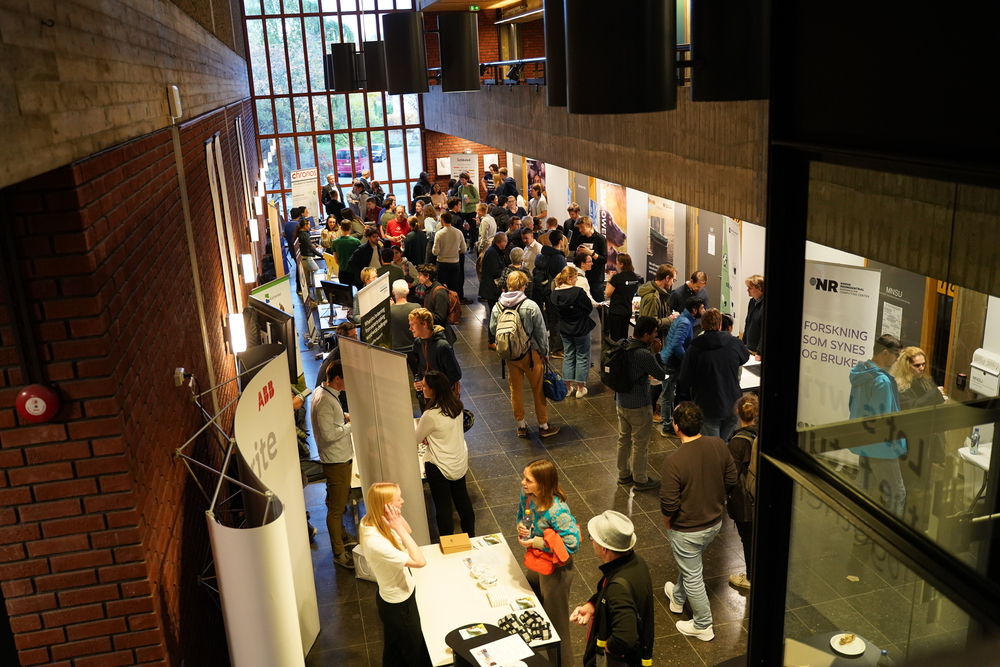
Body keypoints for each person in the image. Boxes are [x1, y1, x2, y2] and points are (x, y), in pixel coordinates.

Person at [660, 402, 738, 642]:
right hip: (714, 523)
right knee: (690, 564)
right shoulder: (718, 445)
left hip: (687, 529)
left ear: (676, 427)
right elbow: (731, 478)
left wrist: (667, 522)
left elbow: (669, 504)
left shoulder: (674, 461)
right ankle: (678, 598)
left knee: (693, 575)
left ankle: (703, 625)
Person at [358, 482, 432, 667]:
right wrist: (397, 527)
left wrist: (397, 521)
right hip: (399, 605)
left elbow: (407, 530)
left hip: (394, 599)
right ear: (386, 506)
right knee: (416, 653)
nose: (402, 501)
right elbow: (419, 562)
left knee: (394, 651)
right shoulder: (375, 541)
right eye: (398, 499)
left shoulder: (373, 519)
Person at [516, 460, 580, 667]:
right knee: (533, 608)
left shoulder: (557, 511)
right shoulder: (527, 496)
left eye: (528, 480)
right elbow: (521, 517)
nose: (522, 482)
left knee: (557, 624)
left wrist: (534, 541)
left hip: (556, 572)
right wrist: (522, 528)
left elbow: (572, 544)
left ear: (542, 484)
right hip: (537, 563)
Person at [571, 511, 654, 667]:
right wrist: (592, 605)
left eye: (593, 538)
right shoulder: (635, 562)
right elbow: (609, 593)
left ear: (604, 548)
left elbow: (625, 638)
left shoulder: (619, 588)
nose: (592, 542)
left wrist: (606, 648)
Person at [489, 271, 560, 438]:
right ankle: (543, 426)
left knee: (516, 390)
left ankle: (521, 426)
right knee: (538, 389)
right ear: (522, 286)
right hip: (531, 354)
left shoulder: (498, 306)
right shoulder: (530, 305)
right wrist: (545, 352)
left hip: (511, 356)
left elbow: (493, 329)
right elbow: (541, 333)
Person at [849, 333, 907, 517]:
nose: (897, 359)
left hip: (863, 441)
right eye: (896, 354)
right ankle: (892, 539)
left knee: (863, 490)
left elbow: (852, 404)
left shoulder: (861, 372)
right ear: (884, 353)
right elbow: (882, 418)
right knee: (897, 493)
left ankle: (860, 532)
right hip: (882, 447)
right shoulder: (881, 381)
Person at [416, 370, 475, 538]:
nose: (422, 388)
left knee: (443, 507)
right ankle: (471, 535)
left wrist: (426, 436)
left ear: (433, 390)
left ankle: (448, 542)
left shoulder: (431, 415)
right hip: (459, 461)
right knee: (462, 499)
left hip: (440, 466)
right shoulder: (456, 404)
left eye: (425, 386)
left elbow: (415, 439)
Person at [678, 308, 751, 441]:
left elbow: (685, 381)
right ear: (720, 324)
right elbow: (745, 357)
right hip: (733, 402)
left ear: (702, 325)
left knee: (712, 449)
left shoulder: (694, 349)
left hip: (707, 405)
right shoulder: (734, 343)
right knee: (726, 446)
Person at [311, 360, 356, 569]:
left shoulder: (325, 393)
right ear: (337, 379)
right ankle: (339, 552)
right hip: (336, 460)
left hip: (339, 457)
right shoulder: (324, 401)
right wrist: (349, 426)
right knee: (336, 509)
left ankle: (341, 535)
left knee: (338, 503)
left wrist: (343, 419)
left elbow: (330, 425)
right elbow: (328, 434)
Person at [614, 316, 667, 492]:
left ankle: (623, 474)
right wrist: (658, 353)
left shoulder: (622, 343)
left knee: (623, 439)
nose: (656, 336)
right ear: (646, 334)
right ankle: (641, 479)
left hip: (621, 401)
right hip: (639, 405)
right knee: (640, 444)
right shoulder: (643, 354)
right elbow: (660, 375)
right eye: (654, 333)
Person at [726, 393, 758, 591]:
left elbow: (731, 475)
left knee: (748, 540)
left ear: (738, 411)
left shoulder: (738, 441)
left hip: (745, 500)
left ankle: (751, 577)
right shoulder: (760, 433)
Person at [550, 266, 597, 398]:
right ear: (569, 278)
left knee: (569, 356)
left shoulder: (554, 293)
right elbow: (588, 308)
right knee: (582, 356)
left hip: (564, 329)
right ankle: (580, 389)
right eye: (575, 277)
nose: (576, 280)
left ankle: (568, 388)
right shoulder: (578, 292)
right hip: (581, 328)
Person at [660, 297, 705, 433]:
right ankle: (667, 427)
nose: (703, 310)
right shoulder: (685, 322)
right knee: (667, 396)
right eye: (702, 308)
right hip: (671, 363)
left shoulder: (684, 319)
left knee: (668, 394)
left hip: (670, 362)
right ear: (694, 310)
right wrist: (686, 360)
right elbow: (676, 345)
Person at [410, 307, 461, 393]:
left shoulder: (443, 346)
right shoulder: (418, 343)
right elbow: (420, 367)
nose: (410, 328)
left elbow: (455, 375)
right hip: (426, 395)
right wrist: (418, 380)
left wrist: (432, 386)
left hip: (442, 396)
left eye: (413, 325)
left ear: (424, 324)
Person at [535, 229, 568, 357]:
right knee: (557, 320)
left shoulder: (545, 254)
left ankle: (553, 346)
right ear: (561, 241)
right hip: (557, 292)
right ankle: (557, 348)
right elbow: (563, 277)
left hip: (547, 290)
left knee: (552, 319)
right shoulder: (559, 258)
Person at [432, 210, 469, 304]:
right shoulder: (458, 232)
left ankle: (443, 305)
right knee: (454, 287)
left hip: (442, 263)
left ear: (443, 220)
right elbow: (464, 249)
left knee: (442, 287)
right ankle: (455, 306)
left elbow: (435, 252)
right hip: (455, 263)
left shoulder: (439, 234)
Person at [567, 217, 608, 303]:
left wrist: (591, 253)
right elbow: (575, 259)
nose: (580, 230)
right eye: (579, 228)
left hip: (596, 278)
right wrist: (578, 254)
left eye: (582, 227)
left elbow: (604, 259)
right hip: (582, 277)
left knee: (599, 303)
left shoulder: (600, 239)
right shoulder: (580, 238)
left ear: (589, 225)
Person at [479, 233, 508, 349]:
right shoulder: (492, 253)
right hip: (491, 290)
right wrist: (506, 271)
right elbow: (495, 271)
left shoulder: (495, 251)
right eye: (505, 241)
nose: (506, 244)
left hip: (492, 289)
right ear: (500, 242)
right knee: (493, 315)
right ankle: (491, 341)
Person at [605, 253, 642, 342]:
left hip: (616, 311)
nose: (616, 263)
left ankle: (616, 355)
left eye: (617, 262)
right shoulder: (635, 277)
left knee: (615, 337)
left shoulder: (617, 278)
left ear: (622, 264)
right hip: (627, 310)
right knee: (624, 336)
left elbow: (607, 293)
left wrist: (609, 279)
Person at [417, 264, 457, 344]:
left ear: (427, 276)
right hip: (433, 333)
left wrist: (422, 314)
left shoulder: (439, 293)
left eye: (420, 275)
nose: (418, 277)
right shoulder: (428, 288)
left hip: (441, 336)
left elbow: (440, 316)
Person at [390, 280, 420, 374]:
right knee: (419, 378)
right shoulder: (416, 308)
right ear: (407, 291)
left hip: (397, 350)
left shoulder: (389, 311)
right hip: (415, 349)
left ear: (393, 292)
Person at [330, 220, 361, 287]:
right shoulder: (356, 242)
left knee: (347, 295)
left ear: (341, 228)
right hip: (355, 271)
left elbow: (336, 260)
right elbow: (360, 258)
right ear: (351, 227)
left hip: (343, 271)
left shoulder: (335, 242)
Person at [296, 219, 321, 299]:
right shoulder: (304, 234)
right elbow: (309, 247)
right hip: (307, 259)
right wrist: (321, 255)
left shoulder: (300, 233)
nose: (310, 226)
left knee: (306, 281)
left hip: (302, 259)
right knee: (318, 274)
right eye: (309, 225)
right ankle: (320, 298)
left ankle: (307, 297)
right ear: (305, 226)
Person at [743, 274, 764, 360]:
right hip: (749, 348)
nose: (747, 290)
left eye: (750, 288)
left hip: (758, 353)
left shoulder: (765, 306)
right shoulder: (752, 302)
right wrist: (744, 343)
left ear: (759, 289)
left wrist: (759, 352)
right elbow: (747, 323)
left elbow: (764, 332)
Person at [457, 171, 480, 241]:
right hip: (464, 211)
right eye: (460, 179)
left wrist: (470, 201)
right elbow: (459, 199)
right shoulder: (460, 188)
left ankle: (473, 244)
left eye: (463, 179)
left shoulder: (472, 187)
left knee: (473, 229)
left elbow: (477, 199)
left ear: (467, 179)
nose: (461, 181)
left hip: (471, 211)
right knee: (464, 228)